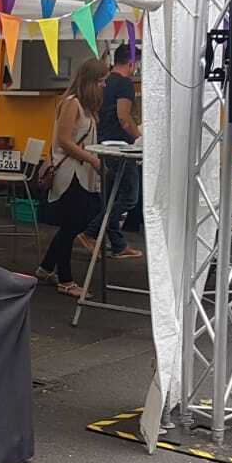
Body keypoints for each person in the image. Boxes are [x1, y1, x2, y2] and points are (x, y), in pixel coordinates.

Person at [36, 58, 109, 298]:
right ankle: (65, 279)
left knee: (74, 222)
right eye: (101, 81)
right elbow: (64, 141)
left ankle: (47, 267)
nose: (104, 86)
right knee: (72, 224)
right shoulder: (72, 104)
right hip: (70, 173)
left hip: (80, 172)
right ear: (90, 81)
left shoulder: (84, 106)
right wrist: (92, 160)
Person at [80, 41, 143, 259]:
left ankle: (118, 244)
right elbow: (124, 117)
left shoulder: (104, 83)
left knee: (112, 196)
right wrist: (139, 138)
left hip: (102, 143)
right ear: (132, 63)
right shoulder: (125, 84)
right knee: (129, 196)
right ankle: (91, 232)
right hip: (121, 148)